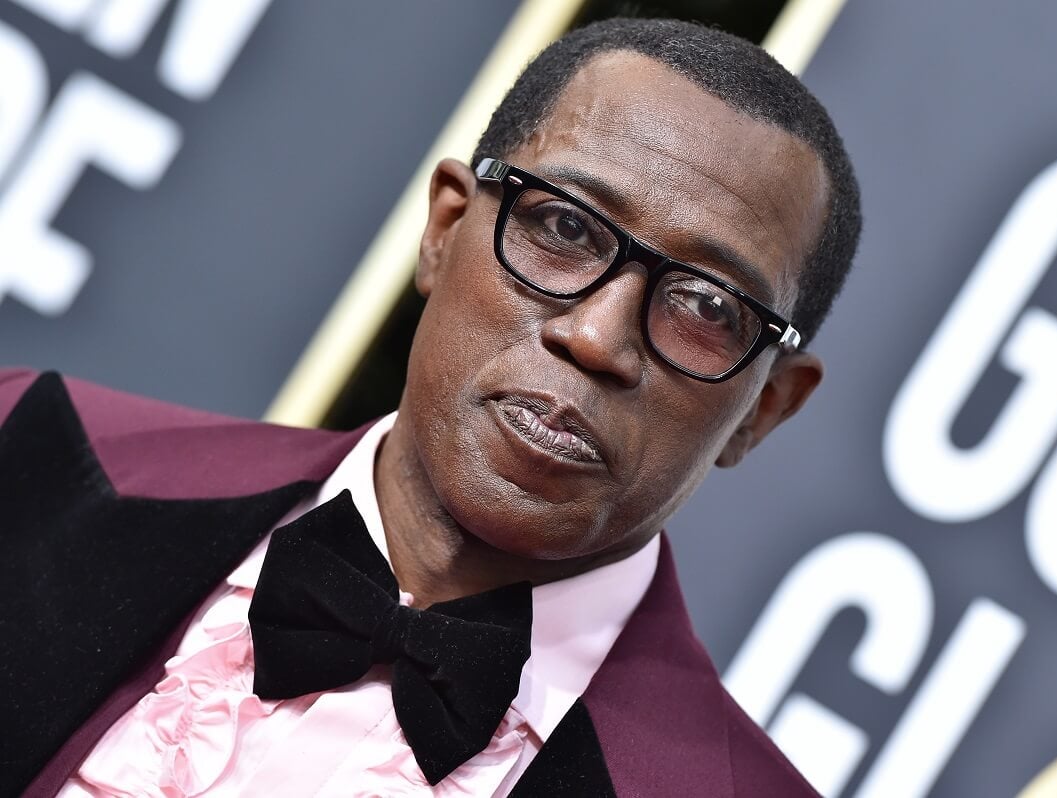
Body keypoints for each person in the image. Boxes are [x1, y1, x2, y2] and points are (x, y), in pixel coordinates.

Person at [0, 16, 860, 797]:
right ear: (445, 229)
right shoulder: (27, 451)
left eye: (708, 307)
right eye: (564, 227)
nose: (597, 339)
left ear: (764, 408)